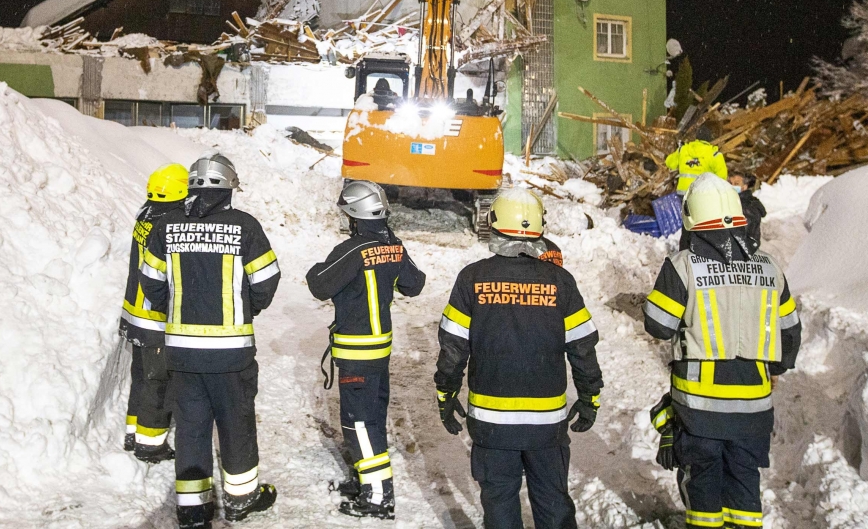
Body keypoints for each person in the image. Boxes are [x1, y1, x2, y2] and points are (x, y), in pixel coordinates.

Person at [435, 188, 603, 529]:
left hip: (491, 423)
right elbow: (583, 348)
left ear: (493, 225)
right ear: (540, 229)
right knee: (553, 503)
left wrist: (446, 394)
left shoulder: (472, 278)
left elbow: (452, 350)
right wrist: (590, 398)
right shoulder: (561, 282)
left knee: (499, 504)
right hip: (546, 427)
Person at [643, 174, 802, 529]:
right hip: (754, 407)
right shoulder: (769, 266)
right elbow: (789, 332)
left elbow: (658, 325)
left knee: (703, 484)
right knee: (745, 482)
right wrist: (776, 367)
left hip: (700, 408)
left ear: (692, 220)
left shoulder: (683, 266)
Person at [139, 154, 281, 529]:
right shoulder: (245, 227)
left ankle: (192, 508)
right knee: (236, 426)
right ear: (229, 187)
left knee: (191, 427)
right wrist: (245, 309)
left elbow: (149, 280)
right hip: (231, 355)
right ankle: (240, 499)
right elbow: (266, 280)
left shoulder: (166, 227)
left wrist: (176, 309)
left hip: (183, 353)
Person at [306, 181, 426, 520]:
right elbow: (414, 285)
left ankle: (377, 496)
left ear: (355, 216)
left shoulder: (351, 250)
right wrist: (393, 253)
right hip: (380, 352)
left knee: (358, 423)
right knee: (372, 419)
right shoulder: (394, 247)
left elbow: (318, 284)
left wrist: (320, 267)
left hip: (356, 352)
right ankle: (366, 479)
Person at [119, 163, 189, 463]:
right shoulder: (170, 223)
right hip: (155, 317)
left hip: (134, 313)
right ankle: (150, 444)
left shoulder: (145, 214)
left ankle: (133, 431)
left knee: (141, 375)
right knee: (159, 382)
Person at [665, 126, 728, 196]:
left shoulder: (683, 150)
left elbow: (669, 163)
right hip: (701, 195)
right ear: (709, 139)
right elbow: (722, 177)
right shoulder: (714, 154)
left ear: (696, 138)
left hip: (683, 194)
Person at [729, 172, 767, 250]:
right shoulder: (733, 200)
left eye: (736, 184)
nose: (732, 186)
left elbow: (744, 231)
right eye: (730, 183)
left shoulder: (746, 205)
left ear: (744, 187)